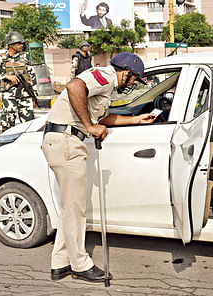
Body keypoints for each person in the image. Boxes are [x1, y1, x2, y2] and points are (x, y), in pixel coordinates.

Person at [42, 52, 156, 283]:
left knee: (70, 207)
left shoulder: (106, 86)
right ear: (125, 71)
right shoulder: (105, 76)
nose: (133, 83)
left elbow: (103, 117)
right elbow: (75, 86)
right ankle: (80, 264)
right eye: (134, 78)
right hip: (66, 141)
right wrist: (89, 126)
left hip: (64, 141)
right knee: (75, 208)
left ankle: (60, 262)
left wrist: (136, 119)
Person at [0, 31, 37, 132]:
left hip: (25, 95)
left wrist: (34, 96)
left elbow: (32, 75)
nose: (21, 45)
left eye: (22, 43)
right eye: (18, 43)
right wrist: (7, 76)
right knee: (7, 124)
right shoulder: (1, 58)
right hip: (9, 95)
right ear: (11, 45)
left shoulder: (25, 57)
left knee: (29, 125)